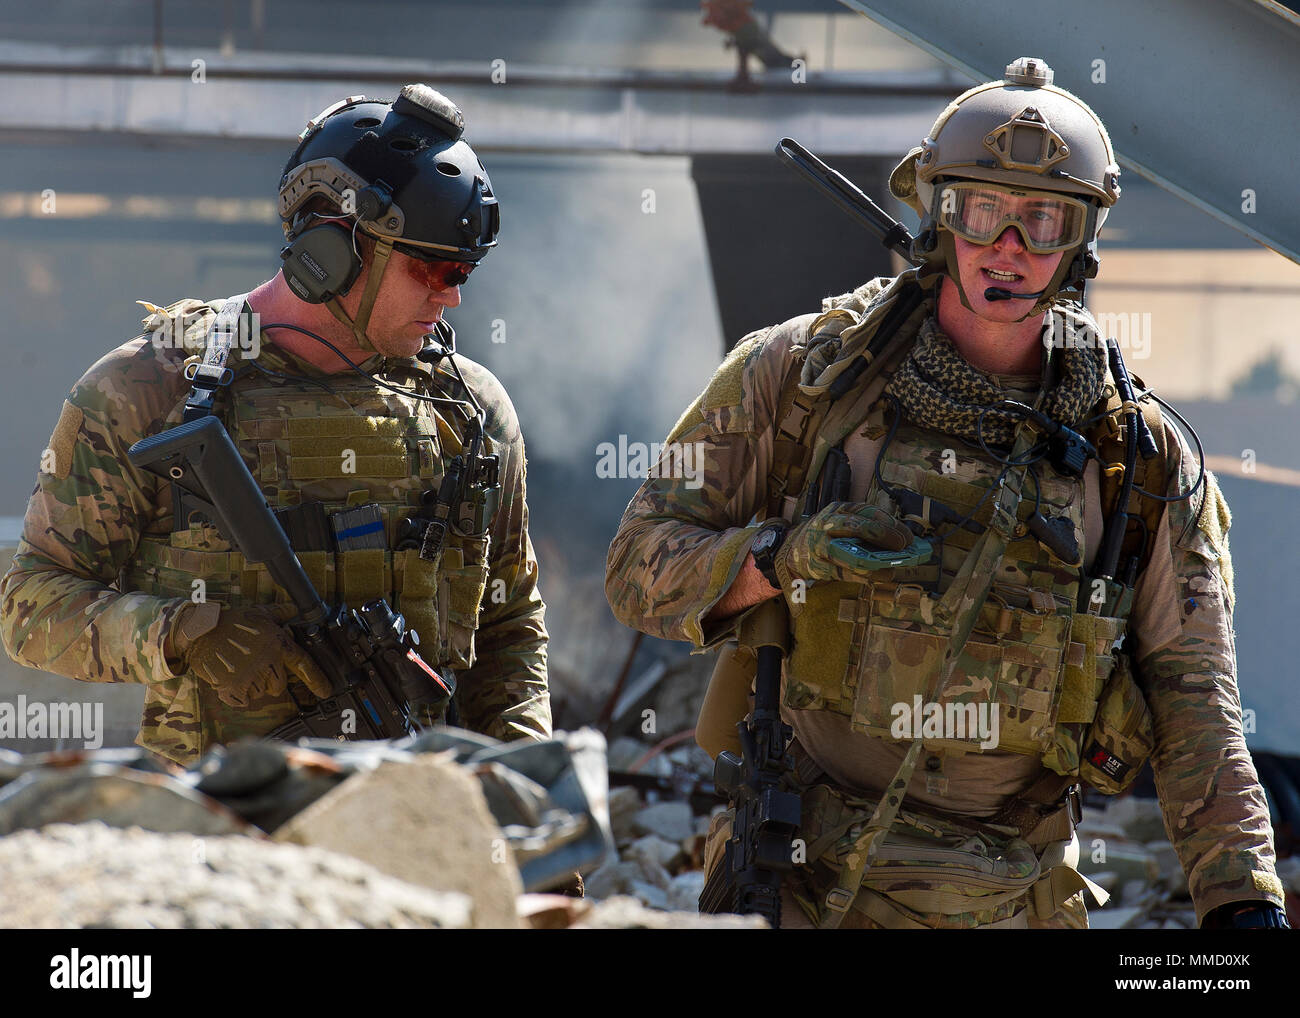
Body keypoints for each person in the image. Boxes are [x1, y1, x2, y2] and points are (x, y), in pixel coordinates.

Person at [605, 58, 1286, 929]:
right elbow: (636, 564)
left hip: (1017, 894)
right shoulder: (802, 379)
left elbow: (1197, 698)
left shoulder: (1138, 458)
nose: (1010, 247)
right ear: (936, 218)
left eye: (1044, 220)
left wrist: (1241, 901)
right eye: (983, 212)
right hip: (806, 874)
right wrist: (779, 558)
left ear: (1080, 246)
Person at [0, 84, 550, 767]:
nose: (453, 293)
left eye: (463, 270)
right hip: (216, 831)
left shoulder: (468, 411)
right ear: (333, 250)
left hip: (414, 819)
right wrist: (175, 632)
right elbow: (30, 606)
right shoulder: (150, 387)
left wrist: (535, 810)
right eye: (431, 268)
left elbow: (510, 628)